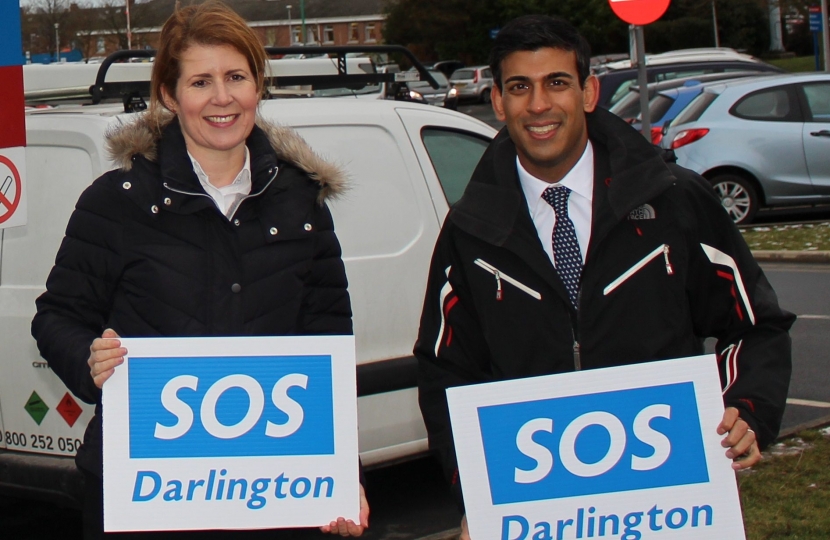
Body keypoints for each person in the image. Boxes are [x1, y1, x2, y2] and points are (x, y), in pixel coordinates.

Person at [414, 14, 794, 539]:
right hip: (540, 507)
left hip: (669, 499)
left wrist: (747, 407)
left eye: (557, 83)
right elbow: (445, 373)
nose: (539, 105)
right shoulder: (470, 230)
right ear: (498, 101)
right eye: (520, 87)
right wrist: (475, 492)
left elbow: (755, 325)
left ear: (589, 92)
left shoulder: (673, 201)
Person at [31, 2, 367, 538]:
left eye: (236, 77)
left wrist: (344, 472)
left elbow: (328, 342)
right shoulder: (117, 202)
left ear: (258, 85)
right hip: (144, 494)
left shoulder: (302, 202)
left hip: (270, 491)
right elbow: (56, 318)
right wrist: (88, 359)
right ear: (170, 95)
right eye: (200, 82)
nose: (222, 97)